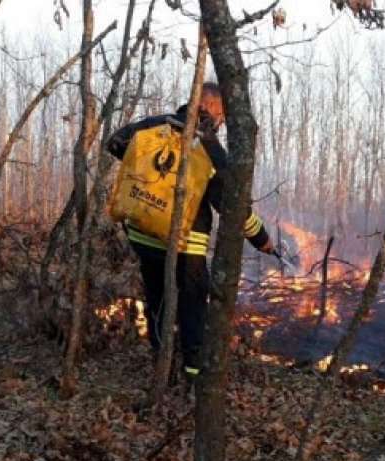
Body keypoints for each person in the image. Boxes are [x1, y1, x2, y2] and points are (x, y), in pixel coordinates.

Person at [106, 82, 274, 380]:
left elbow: (115, 142)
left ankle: (162, 368)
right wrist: (259, 237)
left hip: (143, 234)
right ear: (210, 107)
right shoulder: (209, 146)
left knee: (157, 302)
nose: (221, 123)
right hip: (186, 245)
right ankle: (194, 375)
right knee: (193, 306)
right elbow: (229, 204)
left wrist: (150, 175)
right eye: (221, 115)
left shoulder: (156, 125)